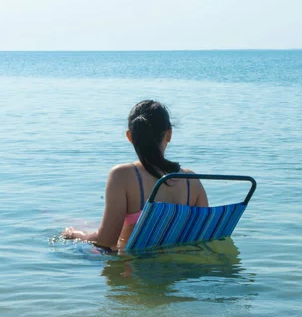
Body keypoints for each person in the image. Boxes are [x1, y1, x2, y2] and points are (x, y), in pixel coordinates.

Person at [61, 100, 208, 251]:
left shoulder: (122, 175)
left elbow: (106, 241)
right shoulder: (191, 180)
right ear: (169, 134)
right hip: (180, 271)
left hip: (134, 270)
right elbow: (205, 235)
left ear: (129, 136)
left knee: (77, 235)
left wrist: (75, 234)